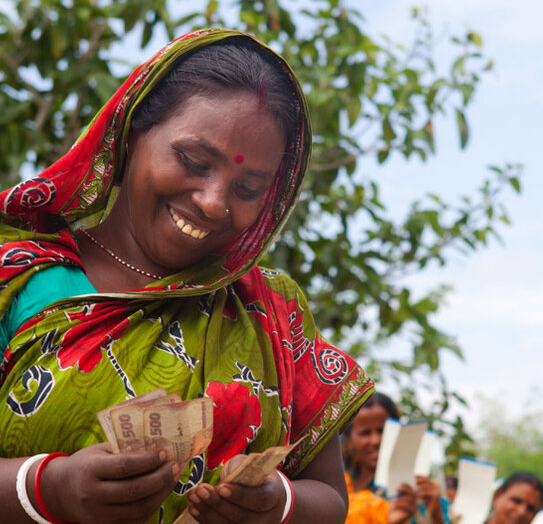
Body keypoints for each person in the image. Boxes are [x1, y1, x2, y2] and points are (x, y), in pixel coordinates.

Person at [0, 28, 374, 524]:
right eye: (194, 161)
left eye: (248, 187)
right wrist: (48, 489)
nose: (214, 201)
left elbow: (329, 497)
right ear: (132, 131)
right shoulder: (19, 280)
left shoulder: (269, 311)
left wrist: (275, 505)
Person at [342, 392, 450, 524]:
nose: (375, 440)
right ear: (349, 440)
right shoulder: (338, 487)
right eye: (365, 433)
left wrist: (436, 514)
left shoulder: (419, 489)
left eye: (382, 430)